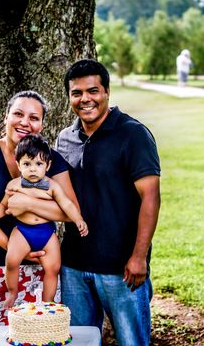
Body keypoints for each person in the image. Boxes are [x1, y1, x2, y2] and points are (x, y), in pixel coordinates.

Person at [55, 59, 161, 346]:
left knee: (132, 342)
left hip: (122, 268)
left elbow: (151, 197)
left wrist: (139, 256)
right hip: (74, 266)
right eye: (77, 93)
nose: (85, 99)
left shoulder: (133, 134)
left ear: (107, 92)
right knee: (79, 342)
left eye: (93, 91)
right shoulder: (64, 139)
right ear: (69, 96)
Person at [0, 90, 79, 325]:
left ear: (41, 125)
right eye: (18, 114)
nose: (25, 122)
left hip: (44, 265)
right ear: (6, 117)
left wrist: (27, 203)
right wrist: (16, 251)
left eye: (34, 117)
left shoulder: (51, 160)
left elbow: (71, 211)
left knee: (39, 335)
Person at [0, 134, 88, 309]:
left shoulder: (52, 185)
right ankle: (13, 292)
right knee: (12, 260)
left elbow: (67, 203)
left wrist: (78, 219)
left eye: (38, 164)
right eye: (27, 164)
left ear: (48, 165)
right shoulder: (14, 185)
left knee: (53, 268)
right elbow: (3, 205)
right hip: (22, 231)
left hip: (46, 232)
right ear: (18, 165)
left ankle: (47, 303)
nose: (32, 169)